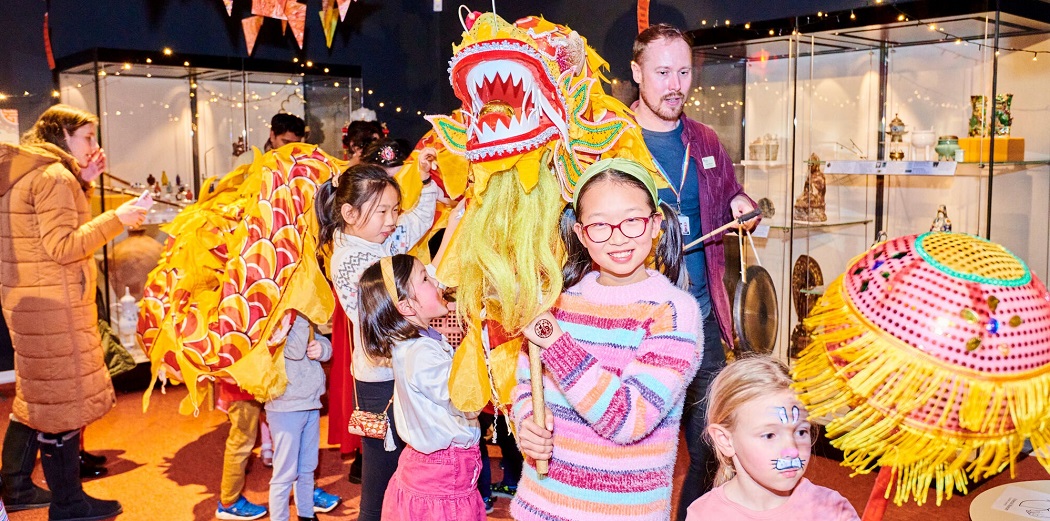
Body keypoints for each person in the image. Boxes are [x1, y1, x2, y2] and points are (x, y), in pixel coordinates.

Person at [512, 158, 702, 520]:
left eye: (632, 221)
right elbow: (526, 384)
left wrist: (555, 341)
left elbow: (628, 418)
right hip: (540, 506)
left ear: (656, 224)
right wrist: (528, 424)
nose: (617, 237)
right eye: (600, 225)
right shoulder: (556, 301)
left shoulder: (673, 311)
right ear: (582, 233)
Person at [631, 23, 759, 518]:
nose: (675, 84)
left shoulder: (704, 138)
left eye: (683, 72)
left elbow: (730, 196)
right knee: (637, 439)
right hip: (636, 319)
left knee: (709, 442)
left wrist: (742, 204)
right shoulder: (612, 139)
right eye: (662, 72)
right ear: (637, 71)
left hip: (701, 317)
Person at [0, 104, 147, 519]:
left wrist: (82, 182)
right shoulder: (53, 175)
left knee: (40, 400)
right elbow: (63, 247)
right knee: (60, 405)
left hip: (31, 303)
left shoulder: (29, 170)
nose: (95, 146)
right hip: (54, 307)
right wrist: (116, 218)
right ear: (61, 135)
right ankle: (68, 504)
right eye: (87, 137)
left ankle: (30, 490)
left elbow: (41, 232)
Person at [315, 160, 441, 521]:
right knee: (381, 473)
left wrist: (426, 181)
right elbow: (378, 315)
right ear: (349, 213)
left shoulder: (378, 238)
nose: (391, 220)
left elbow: (415, 223)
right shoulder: (349, 259)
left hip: (400, 370)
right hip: (378, 380)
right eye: (382, 211)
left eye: (394, 210)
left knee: (405, 464)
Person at [358, 254, 486, 521]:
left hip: (433, 469)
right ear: (406, 306)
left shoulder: (415, 344)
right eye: (425, 279)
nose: (436, 283)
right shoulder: (421, 354)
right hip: (444, 474)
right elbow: (466, 401)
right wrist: (480, 332)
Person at [686, 357, 859, 520]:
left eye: (801, 432)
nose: (792, 449)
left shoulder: (833, 510)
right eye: (769, 435)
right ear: (725, 440)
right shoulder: (704, 515)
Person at [265, 313, 340, 521]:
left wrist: (322, 348)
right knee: (285, 473)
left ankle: (306, 514)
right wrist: (297, 316)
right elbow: (295, 350)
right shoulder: (278, 316)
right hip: (285, 406)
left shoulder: (301, 317)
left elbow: (317, 339)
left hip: (309, 401)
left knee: (307, 467)